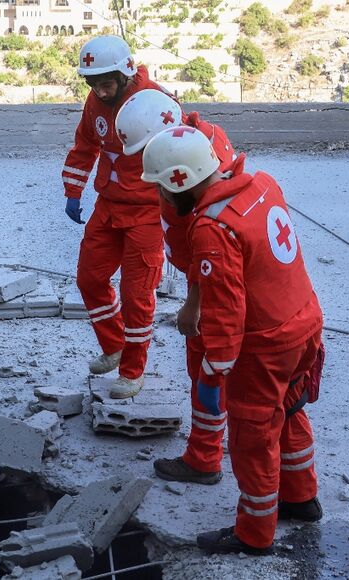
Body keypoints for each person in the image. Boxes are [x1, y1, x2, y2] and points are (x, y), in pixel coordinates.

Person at [141, 126, 326, 555]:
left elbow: (226, 316)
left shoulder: (212, 228)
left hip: (266, 345)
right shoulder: (261, 183)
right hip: (303, 322)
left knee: (252, 435)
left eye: (164, 192)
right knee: (291, 408)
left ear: (181, 181)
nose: (163, 202)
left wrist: (213, 371)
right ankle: (301, 498)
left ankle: (254, 533)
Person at [115, 89, 236, 485]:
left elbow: (208, 248)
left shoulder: (184, 185)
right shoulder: (206, 145)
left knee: (206, 370)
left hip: (215, 284)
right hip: (228, 276)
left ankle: (205, 457)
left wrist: (194, 304)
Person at [61, 36, 174, 399]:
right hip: (108, 206)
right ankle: (115, 344)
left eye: (105, 82)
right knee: (89, 278)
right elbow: (85, 145)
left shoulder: (156, 101)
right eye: (92, 83)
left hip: (146, 213)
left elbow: (180, 153)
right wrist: (73, 191)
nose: (99, 90)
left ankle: (132, 370)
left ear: (125, 72)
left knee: (136, 294)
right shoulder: (95, 102)